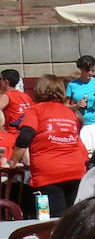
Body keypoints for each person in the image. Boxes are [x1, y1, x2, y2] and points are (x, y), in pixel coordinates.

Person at [12, 75, 87, 216]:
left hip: (48, 174)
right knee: (73, 219)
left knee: (50, 221)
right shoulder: (70, 112)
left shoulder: (36, 110)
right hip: (75, 170)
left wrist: (12, 162)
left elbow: (25, 137)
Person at [66, 54, 95, 160]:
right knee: (82, 156)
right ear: (81, 69)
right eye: (88, 70)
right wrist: (76, 106)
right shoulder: (72, 85)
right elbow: (64, 107)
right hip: (80, 124)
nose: (90, 73)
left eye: (93, 70)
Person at [0, 68, 34, 153]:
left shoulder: (7, 96)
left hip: (12, 134)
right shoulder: (25, 96)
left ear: (6, 82)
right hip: (27, 133)